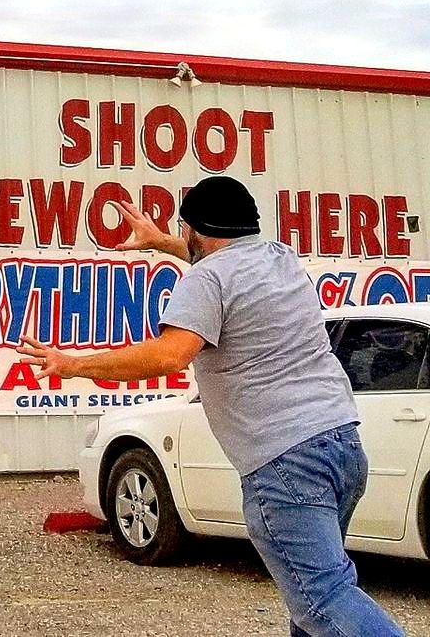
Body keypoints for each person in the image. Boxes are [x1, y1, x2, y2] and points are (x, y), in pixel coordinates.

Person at [20, 174, 401, 637]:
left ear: (197, 230)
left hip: (285, 461)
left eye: (184, 230)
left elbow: (169, 355)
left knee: (322, 599)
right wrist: (163, 243)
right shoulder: (279, 258)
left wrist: (74, 365)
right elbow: (224, 264)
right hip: (341, 446)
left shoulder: (206, 279)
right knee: (312, 598)